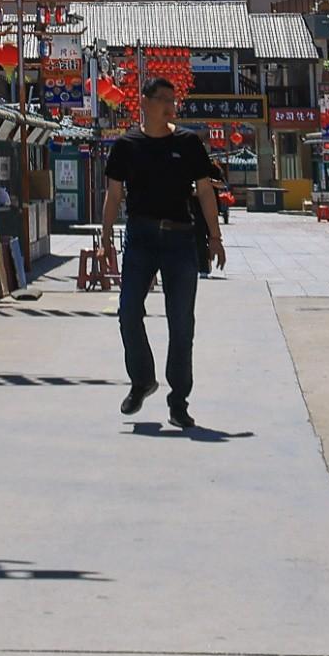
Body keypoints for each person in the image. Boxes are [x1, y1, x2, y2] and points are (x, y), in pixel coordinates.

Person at [101, 77, 228, 427]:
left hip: (180, 239)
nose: (171, 105)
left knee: (181, 322)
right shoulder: (126, 145)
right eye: (163, 99)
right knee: (127, 312)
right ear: (145, 101)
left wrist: (214, 239)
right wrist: (106, 237)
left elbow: (204, 192)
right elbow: (113, 195)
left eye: (174, 99)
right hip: (140, 237)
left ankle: (179, 400)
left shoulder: (187, 143)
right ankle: (142, 380)